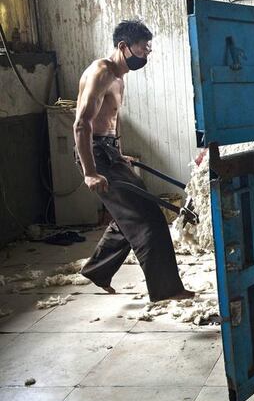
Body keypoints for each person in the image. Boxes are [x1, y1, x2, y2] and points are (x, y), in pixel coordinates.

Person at [73, 19, 193, 302]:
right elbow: (82, 124)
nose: (146, 54)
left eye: (149, 49)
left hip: (109, 154)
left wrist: (119, 153)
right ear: (123, 46)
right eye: (143, 49)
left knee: (127, 215)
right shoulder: (101, 72)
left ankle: (98, 270)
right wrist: (90, 171)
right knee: (149, 218)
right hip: (96, 156)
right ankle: (167, 290)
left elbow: (112, 123)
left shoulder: (119, 77)